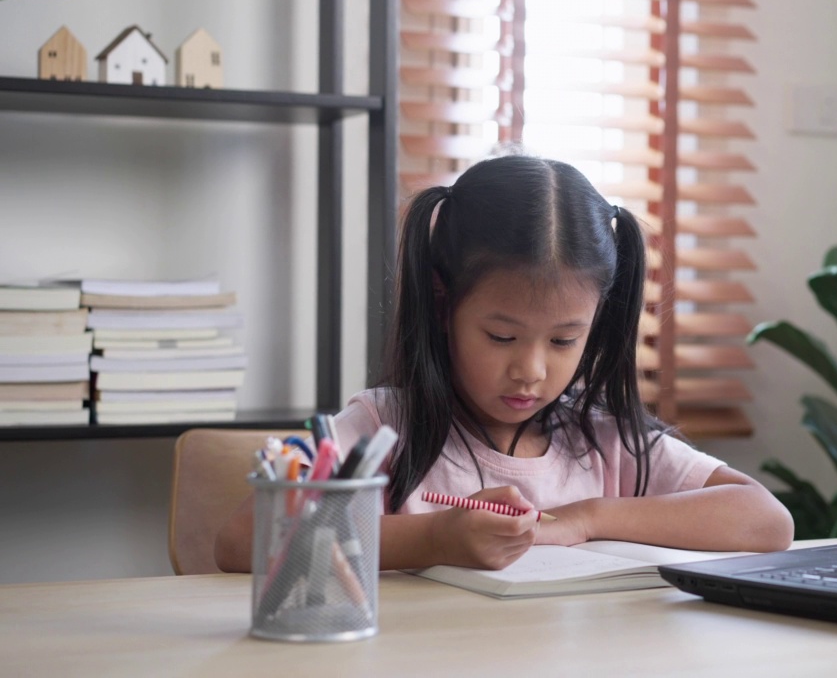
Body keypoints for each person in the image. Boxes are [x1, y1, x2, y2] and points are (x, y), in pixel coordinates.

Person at [215, 154, 793, 572]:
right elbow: (244, 538)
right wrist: (433, 540)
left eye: (564, 342)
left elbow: (766, 521)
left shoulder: (606, 441)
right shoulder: (381, 428)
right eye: (501, 336)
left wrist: (586, 518)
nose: (532, 371)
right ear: (444, 306)